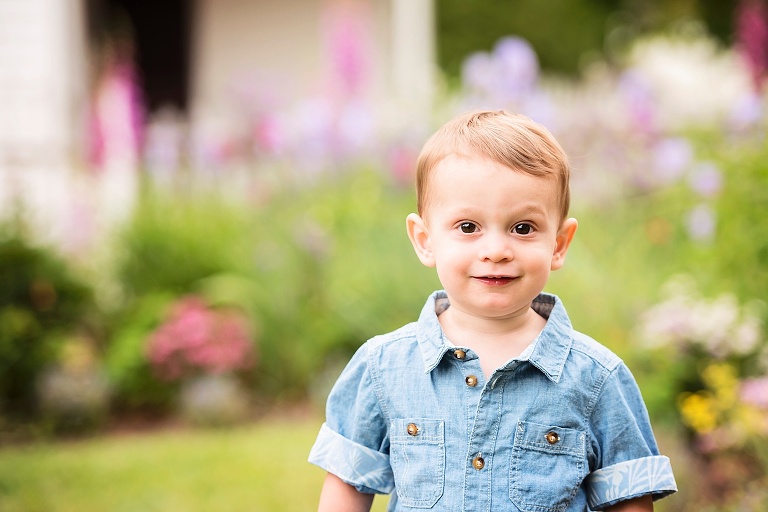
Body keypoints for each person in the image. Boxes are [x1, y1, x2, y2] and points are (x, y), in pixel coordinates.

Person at [309, 110, 677, 511]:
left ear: (559, 243)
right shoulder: (384, 368)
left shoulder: (596, 379)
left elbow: (629, 501)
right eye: (468, 227)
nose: (496, 250)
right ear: (425, 239)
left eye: (523, 228)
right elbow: (347, 488)